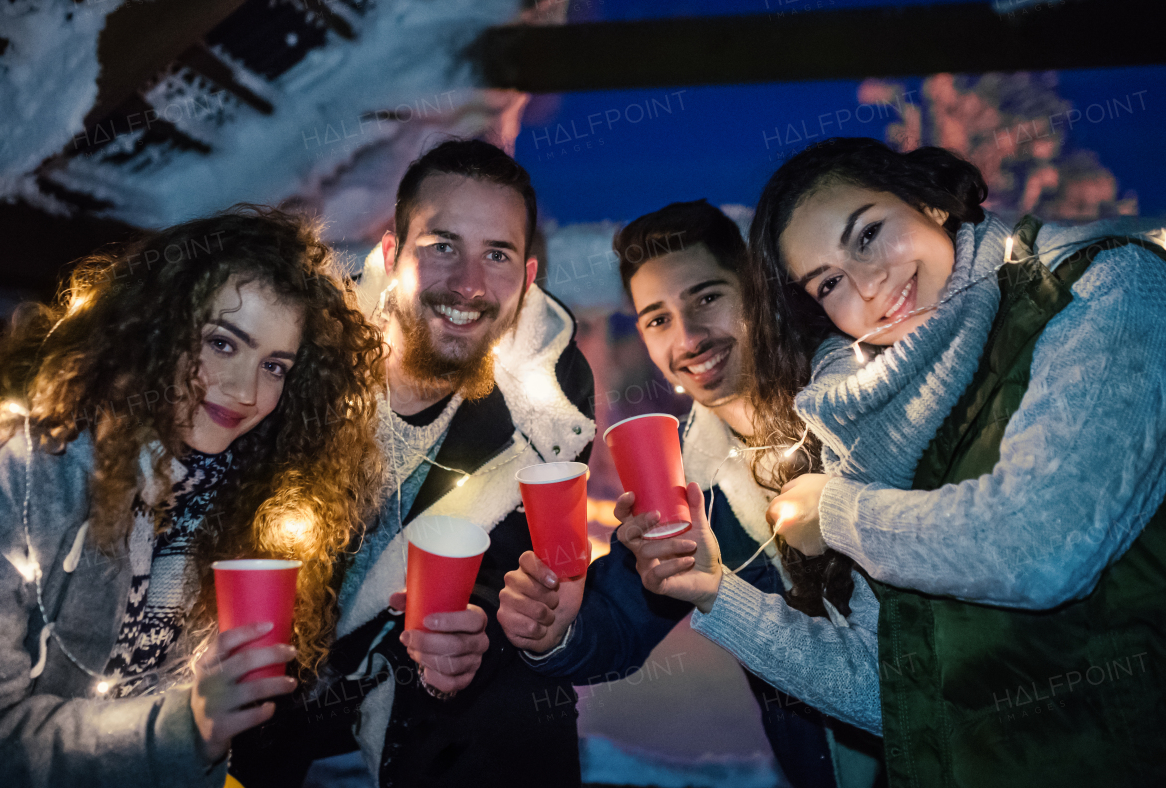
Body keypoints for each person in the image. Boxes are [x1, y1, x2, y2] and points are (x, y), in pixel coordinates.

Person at [625, 138, 1166, 786]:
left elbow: (1040, 545)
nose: (868, 283)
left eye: (869, 235)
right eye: (828, 282)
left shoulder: (1098, 291)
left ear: (930, 203)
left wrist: (836, 509)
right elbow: (892, 691)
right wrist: (717, 592)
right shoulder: (872, 416)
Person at [0, 206, 387, 787]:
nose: (245, 391)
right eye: (223, 344)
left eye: (274, 366)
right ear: (158, 327)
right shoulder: (14, 471)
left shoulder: (241, 498)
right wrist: (182, 727)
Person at [229, 139, 596, 788]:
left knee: (515, 695)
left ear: (528, 278)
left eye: (498, 255)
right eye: (443, 246)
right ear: (393, 256)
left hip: (406, 667)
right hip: (261, 665)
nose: (469, 284)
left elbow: (513, 553)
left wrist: (470, 624)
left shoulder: (549, 398)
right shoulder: (302, 356)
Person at [497, 200, 883, 788]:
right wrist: (558, 630)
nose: (689, 337)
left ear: (754, 289)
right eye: (657, 319)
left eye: (706, 298)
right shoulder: (680, 477)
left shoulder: (860, 407)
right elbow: (620, 624)